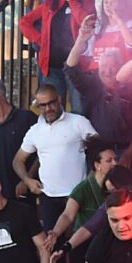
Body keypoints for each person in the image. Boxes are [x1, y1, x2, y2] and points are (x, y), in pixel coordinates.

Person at [15, 82, 98, 235]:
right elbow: (18, 161)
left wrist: (90, 181)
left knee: (78, 243)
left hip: (77, 195)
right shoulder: (35, 131)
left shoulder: (78, 122)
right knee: (52, 242)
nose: (48, 108)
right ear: (38, 106)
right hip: (48, 196)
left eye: (51, 102)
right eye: (43, 105)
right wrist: (27, 181)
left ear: (59, 99)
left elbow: (100, 151)